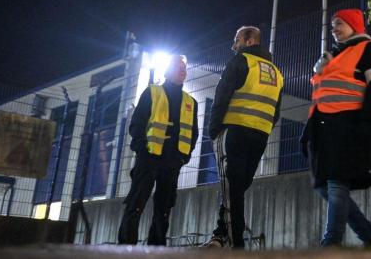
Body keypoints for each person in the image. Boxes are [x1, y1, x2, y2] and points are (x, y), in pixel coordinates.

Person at [300, 9, 371, 247]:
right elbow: (321, 95)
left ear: (354, 25)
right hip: (322, 127)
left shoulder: (369, 50)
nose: (334, 29)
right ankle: (369, 233)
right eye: (332, 26)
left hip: (347, 124)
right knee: (321, 184)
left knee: (337, 182)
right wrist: (308, 131)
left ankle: (331, 243)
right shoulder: (332, 56)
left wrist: (368, 122)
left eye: (339, 24)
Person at [200, 26, 285, 248]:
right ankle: (221, 235)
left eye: (236, 39)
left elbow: (221, 97)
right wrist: (262, 126)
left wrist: (214, 131)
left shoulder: (240, 61)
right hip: (261, 135)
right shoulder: (276, 72)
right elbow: (276, 111)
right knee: (238, 187)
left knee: (231, 188)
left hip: (234, 132)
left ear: (248, 41)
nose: (233, 45)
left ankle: (235, 245)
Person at [118, 54, 198, 245]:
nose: (182, 70)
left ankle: (157, 248)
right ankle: (126, 246)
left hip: (173, 162)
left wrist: (183, 157)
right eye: (178, 66)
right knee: (136, 202)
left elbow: (193, 132)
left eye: (184, 67)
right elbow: (137, 124)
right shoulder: (152, 92)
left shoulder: (191, 102)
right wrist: (141, 150)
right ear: (167, 71)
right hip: (149, 157)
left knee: (164, 208)